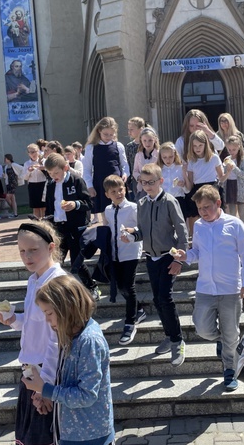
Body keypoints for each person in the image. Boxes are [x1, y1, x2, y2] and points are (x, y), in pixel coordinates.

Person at [22, 275, 120, 445]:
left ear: (67, 308)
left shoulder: (89, 341)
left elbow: (86, 395)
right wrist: (46, 396)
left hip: (87, 439)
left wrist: (47, 389)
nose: (46, 320)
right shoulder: (71, 334)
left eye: (49, 313)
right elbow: (68, 380)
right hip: (72, 434)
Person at [0, 221, 67, 445]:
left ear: (51, 248)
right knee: (43, 444)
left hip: (45, 370)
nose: (27, 257)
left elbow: (58, 339)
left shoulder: (57, 283)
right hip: (31, 368)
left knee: (49, 443)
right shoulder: (34, 279)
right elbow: (34, 322)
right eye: (21, 251)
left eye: (33, 250)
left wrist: (44, 384)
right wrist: (15, 319)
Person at [176, 185, 244, 391]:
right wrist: (186, 256)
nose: (203, 212)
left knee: (231, 333)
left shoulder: (235, 224)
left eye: (207, 207)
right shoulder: (200, 226)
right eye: (200, 208)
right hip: (205, 288)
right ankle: (223, 340)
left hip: (230, 289)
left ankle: (230, 370)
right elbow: (197, 252)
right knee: (201, 327)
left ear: (218, 203)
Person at [122, 163, 189, 367]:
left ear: (161, 181)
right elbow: (142, 232)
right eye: (143, 182)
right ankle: (169, 335)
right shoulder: (141, 203)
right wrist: (131, 237)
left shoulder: (169, 202)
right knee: (157, 299)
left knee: (164, 297)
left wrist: (179, 259)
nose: (147, 186)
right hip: (151, 257)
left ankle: (177, 340)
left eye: (151, 182)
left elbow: (182, 232)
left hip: (169, 256)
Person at [43, 153, 99, 300]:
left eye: (56, 172)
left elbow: (89, 203)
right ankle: (58, 292)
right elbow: (50, 207)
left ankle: (91, 286)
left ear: (65, 168)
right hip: (58, 229)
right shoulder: (50, 185)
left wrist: (75, 204)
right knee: (56, 262)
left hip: (75, 228)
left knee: (76, 262)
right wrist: (47, 221)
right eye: (50, 173)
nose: (54, 176)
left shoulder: (76, 181)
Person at [102, 175, 146, 345]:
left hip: (131, 252)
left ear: (125, 189)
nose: (118, 193)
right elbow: (108, 228)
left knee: (129, 285)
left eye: (120, 189)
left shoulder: (133, 208)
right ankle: (139, 309)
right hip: (115, 253)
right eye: (114, 191)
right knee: (120, 286)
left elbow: (142, 227)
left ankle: (130, 322)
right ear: (107, 194)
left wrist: (132, 230)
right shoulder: (108, 210)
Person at [82, 117, 130, 220]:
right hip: (101, 185)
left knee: (122, 214)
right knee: (106, 217)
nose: (109, 137)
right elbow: (86, 169)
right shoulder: (91, 147)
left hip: (117, 184)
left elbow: (124, 164)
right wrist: (90, 186)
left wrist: (125, 174)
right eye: (105, 134)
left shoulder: (118, 146)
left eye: (111, 134)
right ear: (99, 131)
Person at [184, 130, 226, 233]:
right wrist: (183, 174)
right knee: (195, 216)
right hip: (197, 190)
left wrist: (228, 171)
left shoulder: (214, 158)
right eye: (195, 146)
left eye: (200, 145)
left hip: (213, 188)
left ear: (205, 144)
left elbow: (221, 178)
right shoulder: (191, 161)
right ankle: (195, 240)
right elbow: (190, 184)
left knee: (216, 215)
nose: (197, 148)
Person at [222, 136, 244, 223]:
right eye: (229, 149)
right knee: (232, 213)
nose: (231, 152)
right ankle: (233, 231)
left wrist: (234, 168)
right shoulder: (227, 159)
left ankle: (243, 231)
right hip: (230, 185)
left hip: (240, 187)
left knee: (241, 213)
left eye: (234, 149)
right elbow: (224, 174)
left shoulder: (243, 159)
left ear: (238, 147)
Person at [157, 141, 187, 216]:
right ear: (160, 157)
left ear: (175, 155)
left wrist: (183, 185)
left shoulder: (180, 168)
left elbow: (187, 190)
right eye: (165, 157)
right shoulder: (158, 170)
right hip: (164, 200)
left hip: (179, 200)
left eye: (171, 157)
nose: (168, 160)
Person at [22, 143, 48, 220]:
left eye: (34, 151)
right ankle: (36, 224)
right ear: (28, 154)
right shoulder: (27, 164)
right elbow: (25, 177)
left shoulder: (44, 161)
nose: (33, 154)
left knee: (43, 207)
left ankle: (44, 224)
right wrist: (29, 171)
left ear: (38, 151)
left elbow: (48, 173)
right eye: (31, 152)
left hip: (43, 184)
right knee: (36, 207)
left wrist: (42, 167)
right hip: (33, 186)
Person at [132, 128, 159, 195]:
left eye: (150, 140)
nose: (147, 143)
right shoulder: (138, 155)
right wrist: (139, 178)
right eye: (144, 140)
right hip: (142, 188)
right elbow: (135, 171)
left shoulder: (159, 154)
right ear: (141, 141)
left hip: (156, 187)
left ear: (155, 140)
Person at [125, 117, 146, 200]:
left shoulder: (147, 144)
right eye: (128, 129)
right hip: (135, 179)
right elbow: (128, 163)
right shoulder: (129, 146)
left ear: (140, 129)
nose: (129, 132)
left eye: (132, 129)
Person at [3, 153, 22, 218]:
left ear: (8, 158)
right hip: (8, 183)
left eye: (5, 158)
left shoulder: (13, 165)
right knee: (12, 198)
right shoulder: (6, 166)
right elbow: (6, 175)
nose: (4, 160)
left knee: (7, 197)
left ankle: (13, 210)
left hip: (13, 182)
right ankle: (15, 213)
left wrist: (19, 176)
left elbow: (22, 169)